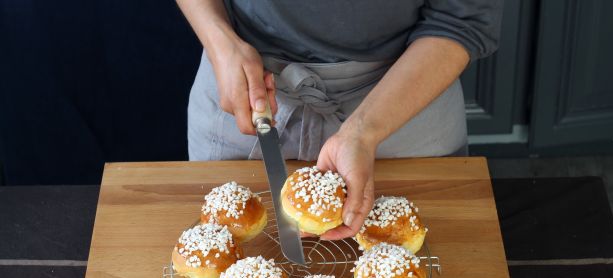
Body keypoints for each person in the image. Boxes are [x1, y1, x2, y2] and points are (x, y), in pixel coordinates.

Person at [177, 0, 502, 240]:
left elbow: (464, 19)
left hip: (405, 103)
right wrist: (219, 40)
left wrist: (363, 133)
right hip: (247, 92)